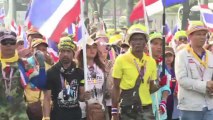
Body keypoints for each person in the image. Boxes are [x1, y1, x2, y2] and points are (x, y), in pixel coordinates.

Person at [112, 24, 159, 120]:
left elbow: (150, 88)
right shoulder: (121, 59)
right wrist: (114, 112)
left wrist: (160, 84)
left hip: (146, 107)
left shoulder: (151, 61)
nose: (137, 42)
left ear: (145, 42)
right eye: (134, 39)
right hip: (127, 108)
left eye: (141, 39)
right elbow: (116, 87)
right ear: (129, 42)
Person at [0, 30, 46, 119]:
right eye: (4, 42)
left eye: (12, 42)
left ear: (15, 45)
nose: (8, 45)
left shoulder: (24, 64)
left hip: (19, 115)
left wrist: (42, 66)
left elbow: (41, 85)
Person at [175, 21, 213, 120]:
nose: (202, 37)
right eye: (198, 34)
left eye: (204, 34)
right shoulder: (182, 55)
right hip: (190, 106)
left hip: (209, 105)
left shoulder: (210, 55)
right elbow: (182, 80)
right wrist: (205, 85)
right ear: (190, 36)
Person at [43, 37, 85, 120]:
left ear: (73, 54)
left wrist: (86, 96)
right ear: (58, 53)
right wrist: (46, 117)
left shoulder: (80, 72)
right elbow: (47, 98)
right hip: (57, 116)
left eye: (68, 51)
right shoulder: (50, 72)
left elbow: (81, 97)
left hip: (75, 116)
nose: (65, 54)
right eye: (62, 51)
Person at [77, 37, 106, 120]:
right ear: (82, 50)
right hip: (83, 112)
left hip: (99, 110)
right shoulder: (78, 68)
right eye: (88, 47)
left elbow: (104, 89)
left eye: (94, 47)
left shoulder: (101, 68)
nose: (92, 50)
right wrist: (82, 96)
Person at [24, 38, 54, 120]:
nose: (41, 52)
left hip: (47, 108)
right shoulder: (26, 64)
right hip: (32, 108)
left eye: (44, 49)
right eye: (38, 49)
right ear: (32, 50)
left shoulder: (50, 66)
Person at [148, 32, 171, 120]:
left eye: (161, 44)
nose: (159, 47)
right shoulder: (143, 64)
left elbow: (166, 87)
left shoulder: (162, 66)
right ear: (148, 45)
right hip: (146, 111)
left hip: (160, 113)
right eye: (155, 43)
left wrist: (163, 102)